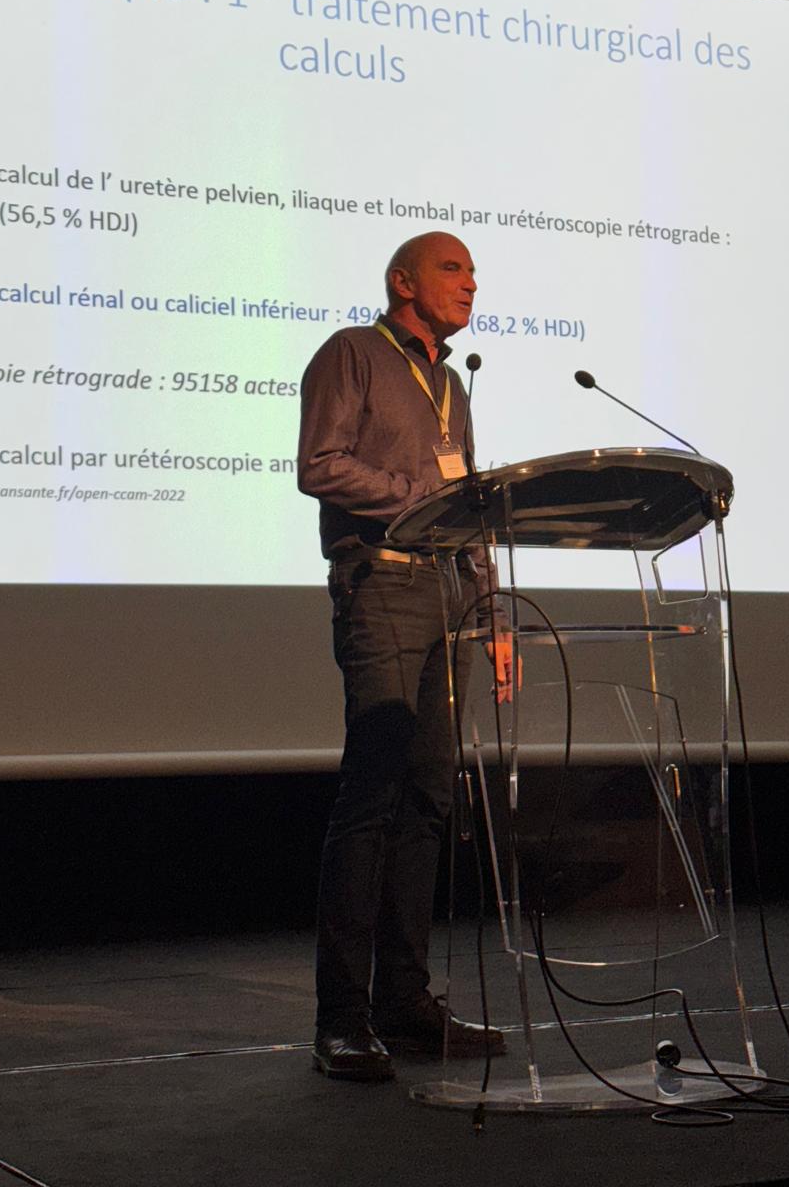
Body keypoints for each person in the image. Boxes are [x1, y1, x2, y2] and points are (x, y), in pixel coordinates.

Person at [297, 231, 507, 1082]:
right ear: (402, 281)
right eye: (452, 268)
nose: (470, 283)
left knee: (427, 800)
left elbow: (468, 502)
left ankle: (406, 1003)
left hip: (451, 593)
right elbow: (320, 466)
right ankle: (342, 1019)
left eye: (473, 271)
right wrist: (415, 499)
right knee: (375, 793)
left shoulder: (451, 383)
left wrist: (492, 610)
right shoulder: (353, 353)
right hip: (382, 581)